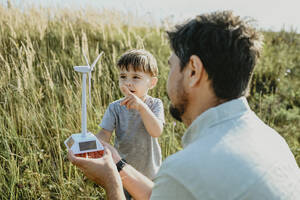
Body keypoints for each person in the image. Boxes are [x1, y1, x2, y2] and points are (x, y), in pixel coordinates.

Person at [68, 11, 300, 200]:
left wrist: (111, 182)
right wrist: (117, 165)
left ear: (193, 71)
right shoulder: (274, 141)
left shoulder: (185, 171)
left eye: (171, 67)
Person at [95, 49, 165, 199]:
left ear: (152, 83)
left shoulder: (154, 105)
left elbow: (156, 131)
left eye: (136, 77)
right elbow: (104, 134)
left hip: (150, 173)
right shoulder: (115, 107)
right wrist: (95, 146)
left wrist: (141, 107)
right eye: (123, 77)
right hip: (122, 170)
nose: (128, 82)